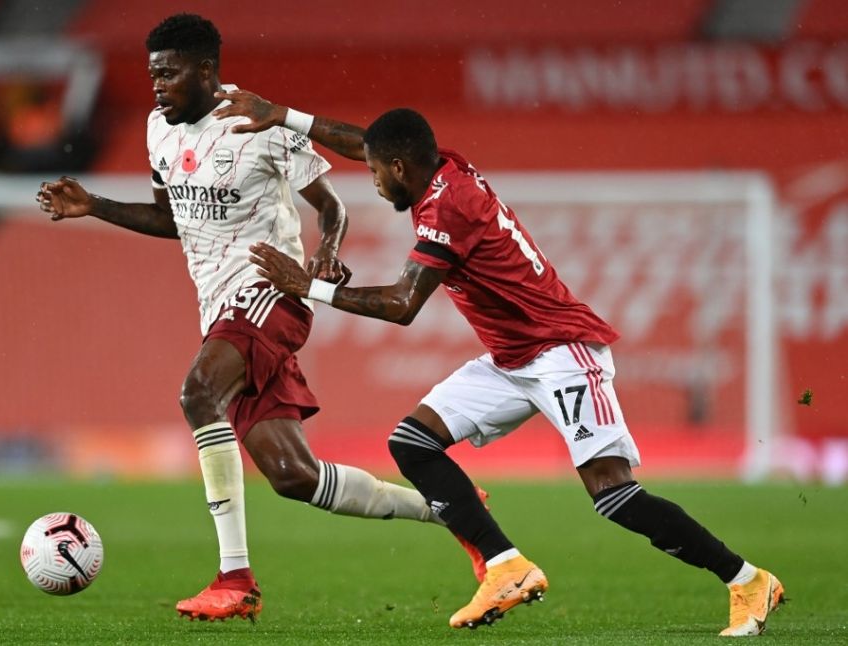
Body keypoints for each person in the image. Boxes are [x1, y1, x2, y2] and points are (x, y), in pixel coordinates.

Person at [214, 90, 786, 636]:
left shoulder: (447, 207)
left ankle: (748, 580)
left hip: (562, 351)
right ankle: (506, 565)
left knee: (613, 494)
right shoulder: (441, 168)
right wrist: (284, 115)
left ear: (399, 168)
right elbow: (368, 140)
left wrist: (307, 287)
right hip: (513, 359)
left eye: (373, 172)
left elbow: (402, 305)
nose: (371, 179)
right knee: (412, 442)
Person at [35, 14, 482, 623]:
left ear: (206, 71)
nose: (157, 87)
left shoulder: (259, 124)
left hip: (271, 292)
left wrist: (325, 251)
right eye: (152, 75)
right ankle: (453, 509)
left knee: (198, 394)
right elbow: (173, 219)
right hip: (217, 306)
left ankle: (234, 577)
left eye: (168, 74)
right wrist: (95, 206)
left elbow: (331, 206)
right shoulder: (156, 131)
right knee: (293, 476)